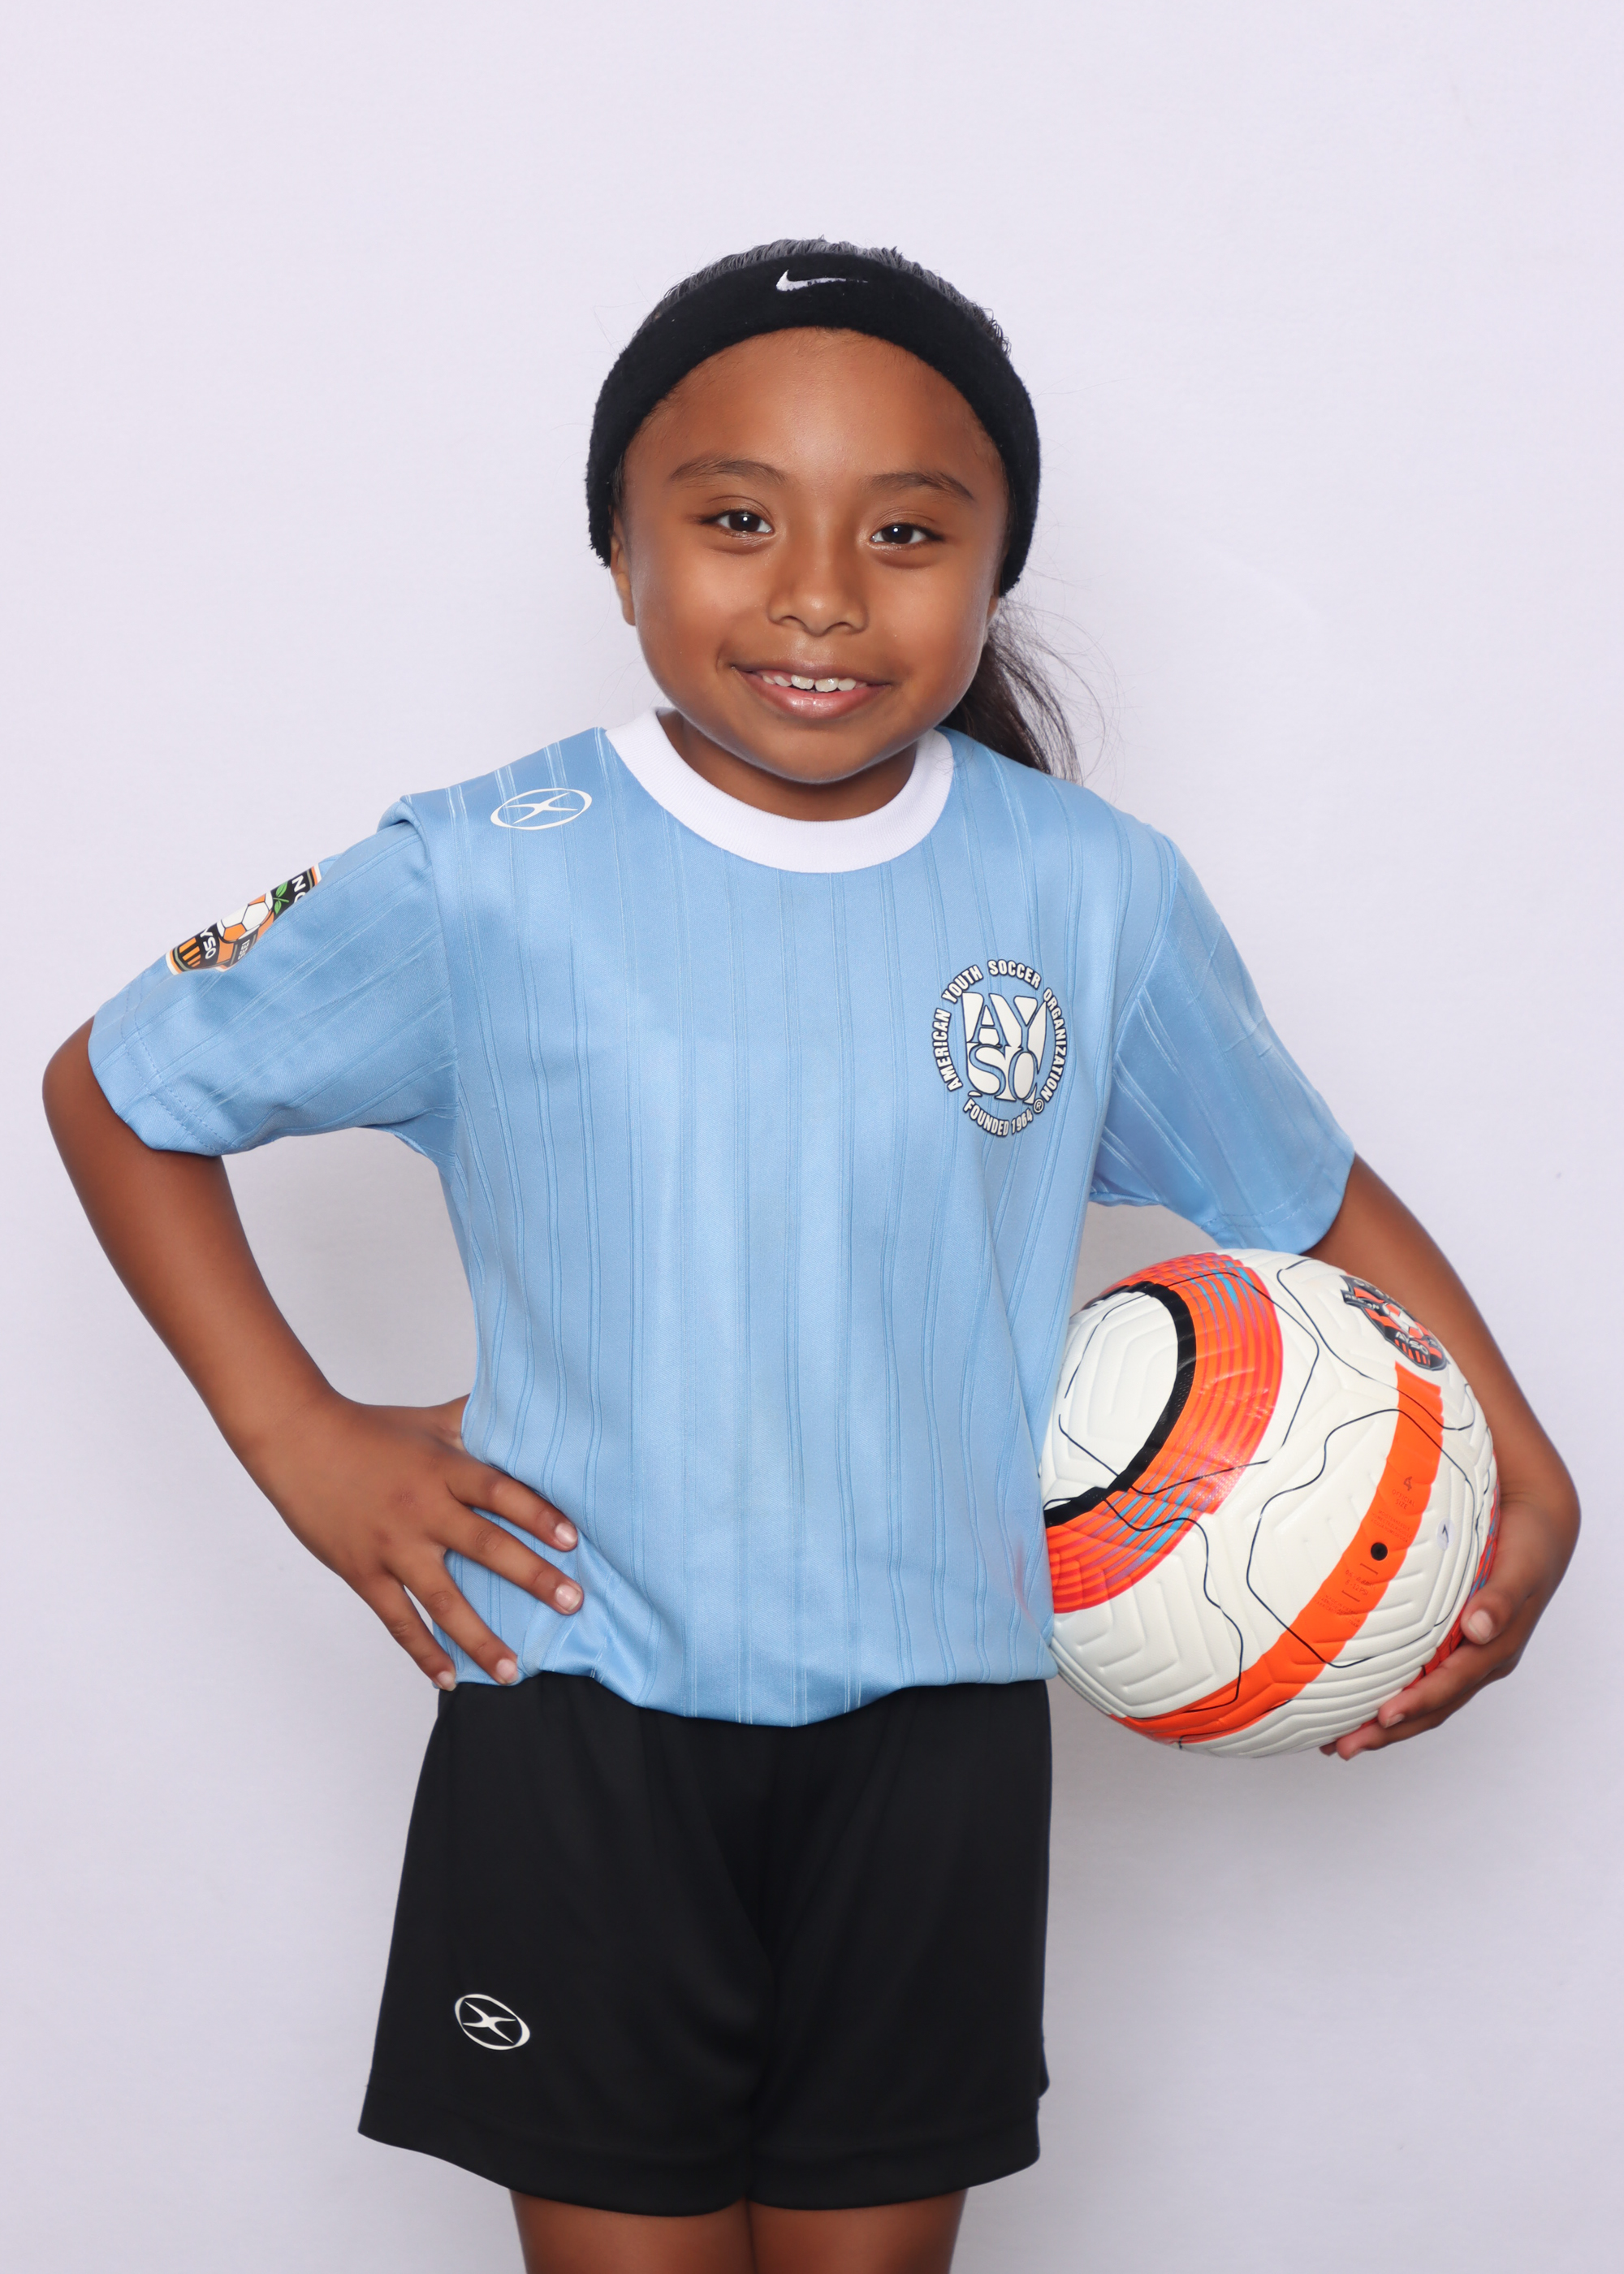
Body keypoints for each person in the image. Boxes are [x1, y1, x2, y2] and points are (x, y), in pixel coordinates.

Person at [42, 240, 1579, 2274]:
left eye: (908, 531)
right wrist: (298, 1435)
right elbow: (120, 1084)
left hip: (941, 1740)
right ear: (618, 548)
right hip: (583, 1717)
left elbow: (1301, 1193)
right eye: (738, 518)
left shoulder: (1090, 891)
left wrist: (1524, 1463)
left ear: (995, 566)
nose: (823, 593)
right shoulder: (478, 872)